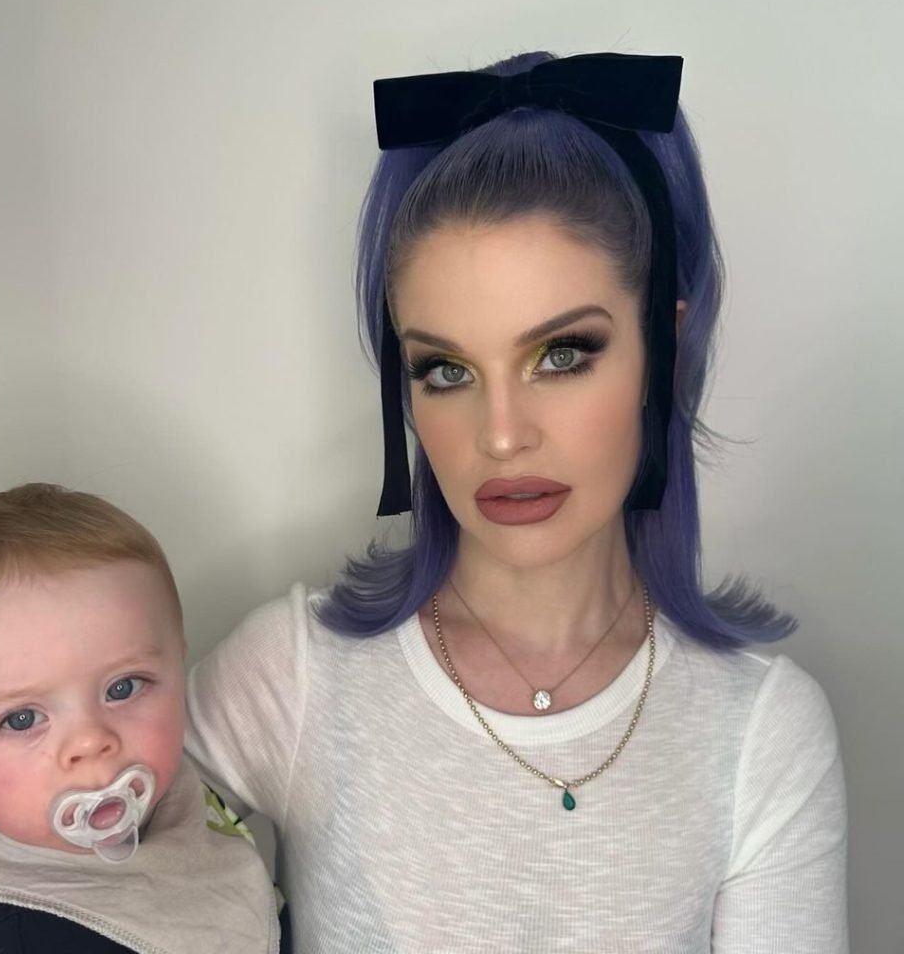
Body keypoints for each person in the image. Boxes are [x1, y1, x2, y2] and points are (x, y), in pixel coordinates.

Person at [186, 52, 848, 951]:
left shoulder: (761, 732)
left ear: (664, 349)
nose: (500, 436)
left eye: (562, 355)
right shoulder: (296, 677)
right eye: (445, 369)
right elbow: (66, 865)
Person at [0, 483, 279, 954]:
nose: (90, 741)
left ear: (177, 664)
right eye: (21, 718)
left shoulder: (173, 795)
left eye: (123, 687)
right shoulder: (31, 939)